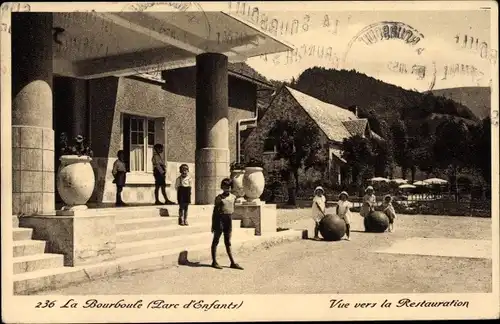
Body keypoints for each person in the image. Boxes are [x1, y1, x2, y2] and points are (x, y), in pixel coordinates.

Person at [210, 178, 244, 270]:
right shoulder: (219, 198)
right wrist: (213, 224)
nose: (227, 189)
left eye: (228, 187)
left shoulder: (233, 197)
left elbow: (231, 209)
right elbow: (215, 211)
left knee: (228, 242)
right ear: (222, 187)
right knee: (216, 240)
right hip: (219, 220)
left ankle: (232, 262)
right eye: (225, 187)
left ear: (231, 187)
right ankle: (214, 261)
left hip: (228, 220)